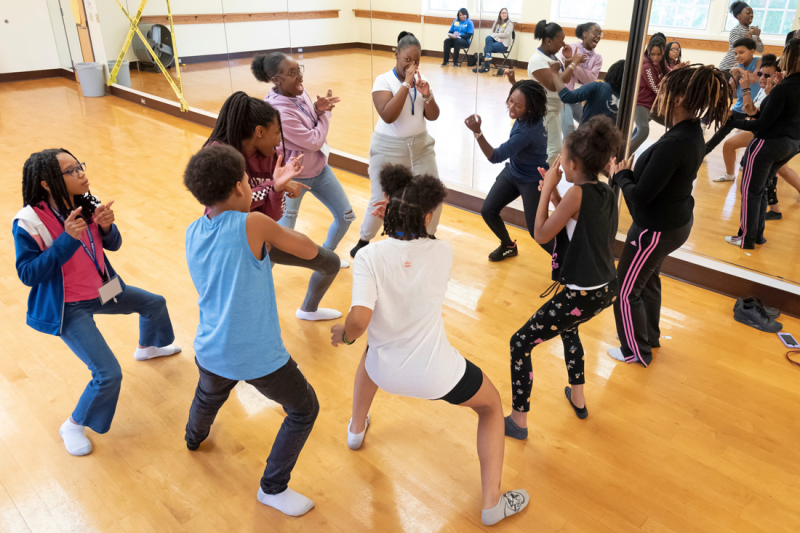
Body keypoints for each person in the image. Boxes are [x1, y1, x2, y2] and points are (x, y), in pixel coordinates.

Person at [331, 164, 530, 526]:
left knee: (370, 349)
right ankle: (491, 504)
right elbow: (415, 252)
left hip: (383, 370)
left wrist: (342, 335)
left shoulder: (368, 257)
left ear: (386, 208)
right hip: (437, 376)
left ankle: (356, 430)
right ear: (426, 216)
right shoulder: (444, 252)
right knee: (490, 406)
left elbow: (359, 321)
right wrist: (404, 221)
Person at [13, 149, 180, 456]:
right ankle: (74, 425)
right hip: (69, 308)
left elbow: (112, 244)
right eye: (72, 170)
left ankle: (148, 347)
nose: (81, 174)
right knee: (108, 374)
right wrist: (66, 239)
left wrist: (106, 227)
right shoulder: (29, 221)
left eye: (80, 167)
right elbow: (27, 274)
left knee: (154, 303)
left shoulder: (87, 201)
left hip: (104, 291)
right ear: (48, 183)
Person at [183, 144, 320, 517]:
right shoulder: (253, 223)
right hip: (258, 356)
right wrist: (284, 204)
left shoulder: (193, 231)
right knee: (304, 409)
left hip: (210, 348)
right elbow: (308, 250)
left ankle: (193, 438)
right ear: (239, 189)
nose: (251, 186)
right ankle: (272, 488)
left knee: (209, 396)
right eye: (247, 180)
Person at [608, 65, 734, 366]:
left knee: (624, 291)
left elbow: (639, 197)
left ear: (678, 99)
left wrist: (621, 175)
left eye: (663, 91)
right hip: (674, 223)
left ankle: (636, 351)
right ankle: (649, 335)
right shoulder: (689, 132)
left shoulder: (676, 143)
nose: (657, 96)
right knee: (647, 280)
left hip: (655, 229)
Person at [504, 116, 621, 439]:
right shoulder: (605, 191)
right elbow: (573, 220)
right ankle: (578, 397)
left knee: (519, 343)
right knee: (569, 329)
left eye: (562, 159)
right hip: (606, 288)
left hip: (581, 293)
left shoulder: (575, 194)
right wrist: (554, 195)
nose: (559, 164)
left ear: (573, 163)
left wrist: (547, 191)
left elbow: (541, 233)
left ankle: (518, 420)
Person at [205, 92, 342, 321]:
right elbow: (231, 206)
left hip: (262, 233)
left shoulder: (271, 156)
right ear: (259, 132)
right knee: (243, 306)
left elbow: (272, 214)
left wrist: (277, 190)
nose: (280, 141)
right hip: (232, 245)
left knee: (330, 262)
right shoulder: (218, 154)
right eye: (277, 133)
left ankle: (308, 310)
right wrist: (273, 187)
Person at [252, 52, 356, 269]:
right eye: (292, 73)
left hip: (320, 171)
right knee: (280, 235)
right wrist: (325, 114)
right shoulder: (278, 110)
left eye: (299, 69)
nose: (299, 76)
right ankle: (262, 276)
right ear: (276, 81)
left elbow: (310, 123)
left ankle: (327, 259)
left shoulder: (297, 91)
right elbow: (314, 140)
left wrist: (318, 109)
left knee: (346, 216)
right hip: (293, 177)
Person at [351, 32, 441, 258]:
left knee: (433, 192)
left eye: (416, 61)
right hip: (388, 147)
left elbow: (433, 116)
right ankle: (365, 239)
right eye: (407, 60)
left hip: (421, 147)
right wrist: (405, 85)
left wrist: (427, 95)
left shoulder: (422, 81)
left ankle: (428, 235)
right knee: (380, 198)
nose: (412, 65)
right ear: (396, 54)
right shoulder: (383, 81)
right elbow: (388, 115)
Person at [464, 80, 557, 262]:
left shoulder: (526, 133)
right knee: (488, 210)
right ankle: (508, 246)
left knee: (538, 232)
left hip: (532, 179)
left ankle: (568, 264)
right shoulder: (531, 114)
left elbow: (495, 156)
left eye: (518, 105)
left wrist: (477, 132)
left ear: (530, 108)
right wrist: (515, 83)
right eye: (511, 100)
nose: (511, 107)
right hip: (514, 171)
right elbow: (526, 94)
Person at [725, 40, 800, 249]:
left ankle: (746, 239)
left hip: (767, 145)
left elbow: (761, 127)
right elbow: (773, 117)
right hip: (790, 145)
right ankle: (757, 236)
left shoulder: (784, 89)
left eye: (786, 54)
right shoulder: (786, 86)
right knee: (761, 189)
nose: (782, 58)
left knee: (750, 191)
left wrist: (731, 121)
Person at [716, 54, 800, 209]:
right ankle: (770, 209)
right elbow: (750, 110)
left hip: (772, 138)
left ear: (778, 75)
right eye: (760, 73)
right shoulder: (767, 89)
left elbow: (762, 121)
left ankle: (769, 212)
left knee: (765, 181)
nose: (762, 77)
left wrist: (736, 117)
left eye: (767, 75)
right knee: (778, 171)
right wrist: (747, 93)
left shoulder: (777, 90)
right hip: (776, 138)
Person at [505, 20, 585, 167]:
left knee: (551, 147)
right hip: (545, 109)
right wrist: (573, 63)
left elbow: (563, 79)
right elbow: (555, 85)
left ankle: (542, 178)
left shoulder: (553, 57)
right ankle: (542, 179)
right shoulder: (537, 60)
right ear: (548, 41)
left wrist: (568, 60)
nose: (563, 44)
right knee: (554, 149)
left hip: (555, 107)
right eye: (560, 41)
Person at [707, 38, 762, 159]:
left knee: (753, 138)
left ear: (752, 51)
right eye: (735, 53)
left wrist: (740, 70)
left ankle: (745, 161)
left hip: (754, 109)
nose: (738, 56)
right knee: (721, 132)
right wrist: (734, 77)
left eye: (741, 52)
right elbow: (731, 93)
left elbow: (754, 79)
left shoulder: (758, 61)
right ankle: (703, 152)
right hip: (738, 108)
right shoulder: (737, 66)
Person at [559, 22, 604, 135]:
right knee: (568, 128)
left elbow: (590, 80)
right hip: (564, 96)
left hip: (579, 97)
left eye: (600, 34)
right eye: (595, 33)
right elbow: (564, 71)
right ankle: (566, 152)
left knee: (590, 125)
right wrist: (573, 63)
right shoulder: (570, 48)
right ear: (585, 34)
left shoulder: (598, 58)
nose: (598, 36)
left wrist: (574, 64)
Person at [628, 37, 668, 154]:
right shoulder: (646, 67)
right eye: (652, 54)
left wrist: (676, 71)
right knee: (643, 130)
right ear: (648, 52)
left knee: (674, 124)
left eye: (659, 54)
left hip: (653, 105)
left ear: (663, 53)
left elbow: (669, 72)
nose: (656, 57)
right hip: (641, 104)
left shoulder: (662, 63)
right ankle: (622, 157)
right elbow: (656, 88)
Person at [555, 59, 624, 124]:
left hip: (586, 134)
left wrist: (555, 74)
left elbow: (567, 97)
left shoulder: (597, 87)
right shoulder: (628, 99)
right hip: (610, 136)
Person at [719, 2, 764, 72]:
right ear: (738, 16)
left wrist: (756, 36)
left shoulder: (752, 30)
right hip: (728, 67)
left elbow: (760, 49)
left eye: (752, 13)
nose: (751, 15)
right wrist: (748, 40)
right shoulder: (735, 30)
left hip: (742, 68)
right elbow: (738, 47)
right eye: (748, 13)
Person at [474, 8, 514, 73]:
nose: (504, 14)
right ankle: (488, 57)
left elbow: (506, 34)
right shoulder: (497, 22)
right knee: (488, 37)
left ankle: (486, 68)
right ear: (500, 14)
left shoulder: (509, 23)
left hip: (503, 44)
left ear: (507, 14)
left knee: (486, 48)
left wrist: (496, 35)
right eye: (503, 13)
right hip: (496, 41)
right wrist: (496, 38)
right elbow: (491, 33)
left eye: (505, 13)